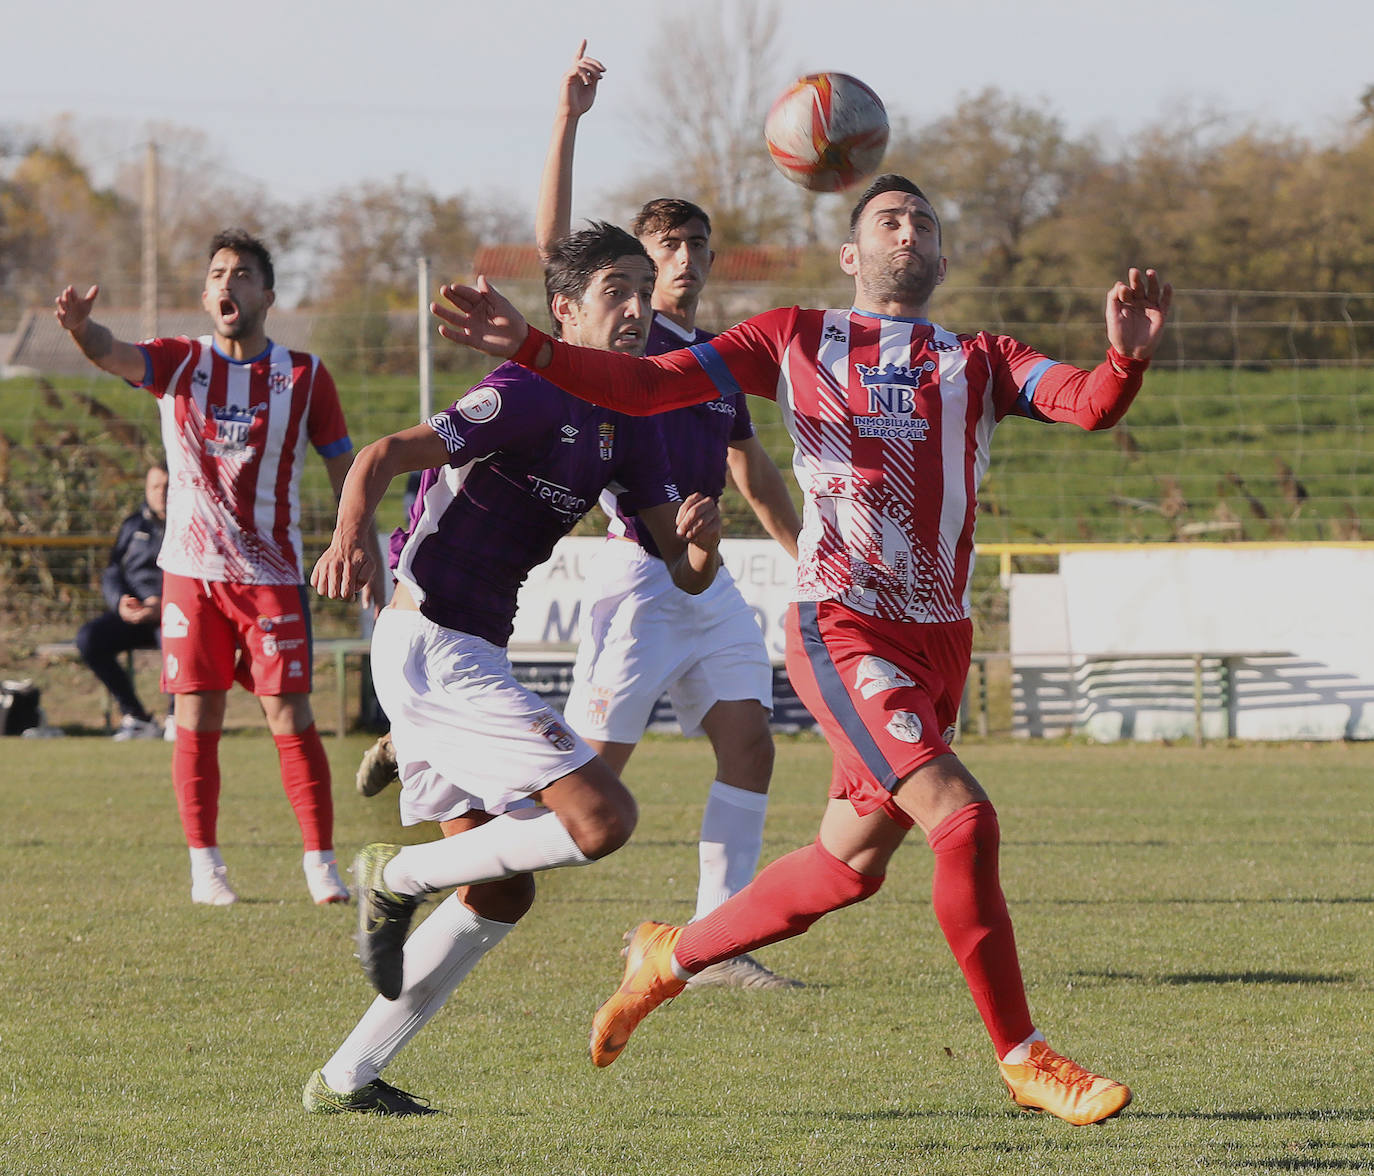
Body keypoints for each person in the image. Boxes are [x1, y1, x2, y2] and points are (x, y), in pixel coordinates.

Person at [428, 174, 1173, 1126]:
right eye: (888, 221)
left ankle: (670, 957)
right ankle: (1024, 1056)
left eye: (926, 223)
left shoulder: (978, 357)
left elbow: (1086, 403)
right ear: (851, 256)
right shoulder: (794, 336)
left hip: (938, 637)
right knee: (964, 820)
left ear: (942, 257)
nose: (910, 232)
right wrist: (533, 347)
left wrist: (1124, 361)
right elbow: (650, 385)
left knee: (845, 869)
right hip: (842, 624)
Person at [301, 222, 723, 1116]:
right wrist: (348, 539)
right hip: (429, 645)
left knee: (499, 890)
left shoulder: (630, 418)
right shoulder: (528, 392)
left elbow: (682, 573)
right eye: (617, 290)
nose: (640, 308)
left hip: (465, 652)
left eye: (646, 290)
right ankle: (395, 876)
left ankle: (345, 1078)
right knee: (603, 817)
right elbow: (380, 455)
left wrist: (701, 547)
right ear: (563, 310)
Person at [535, 43, 805, 989]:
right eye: (665, 248)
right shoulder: (619, 349)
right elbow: (552, 258)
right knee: (587, 781)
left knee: (751, 741)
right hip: (638, 578)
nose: (684, 260)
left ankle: (718, 945)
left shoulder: (719, 360)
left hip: (707, 578)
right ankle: (446, 795)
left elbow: (752, 464)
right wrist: (568, 120)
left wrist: (809, 556)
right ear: (631, 272)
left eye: (697, 245)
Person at [54, 228, 382, 907]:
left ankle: (320, 863)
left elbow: (344, 467)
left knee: (289, 715)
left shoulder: (305, 375)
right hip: (192, 575)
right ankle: (207, 866)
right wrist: (83, 330)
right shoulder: (179, 362)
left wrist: (356, 543)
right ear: (205, 295)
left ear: (267, 293)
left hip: (272, 578)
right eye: (218, 274)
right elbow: (112, 353)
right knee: (197, 718)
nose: (228, 283)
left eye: (243, 273)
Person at [76, 463, 170, 740]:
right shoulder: (133, 525)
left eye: (167, 486)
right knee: (89, 639)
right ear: (146, 490)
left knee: (178, 642)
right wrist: (121, 603)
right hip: (136, 614)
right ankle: (138, 718)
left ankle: (179, 718)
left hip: (177, 613)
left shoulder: (192, 525)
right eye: (155, 486)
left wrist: (162, 604)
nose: (161, 493)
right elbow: (113, 572)